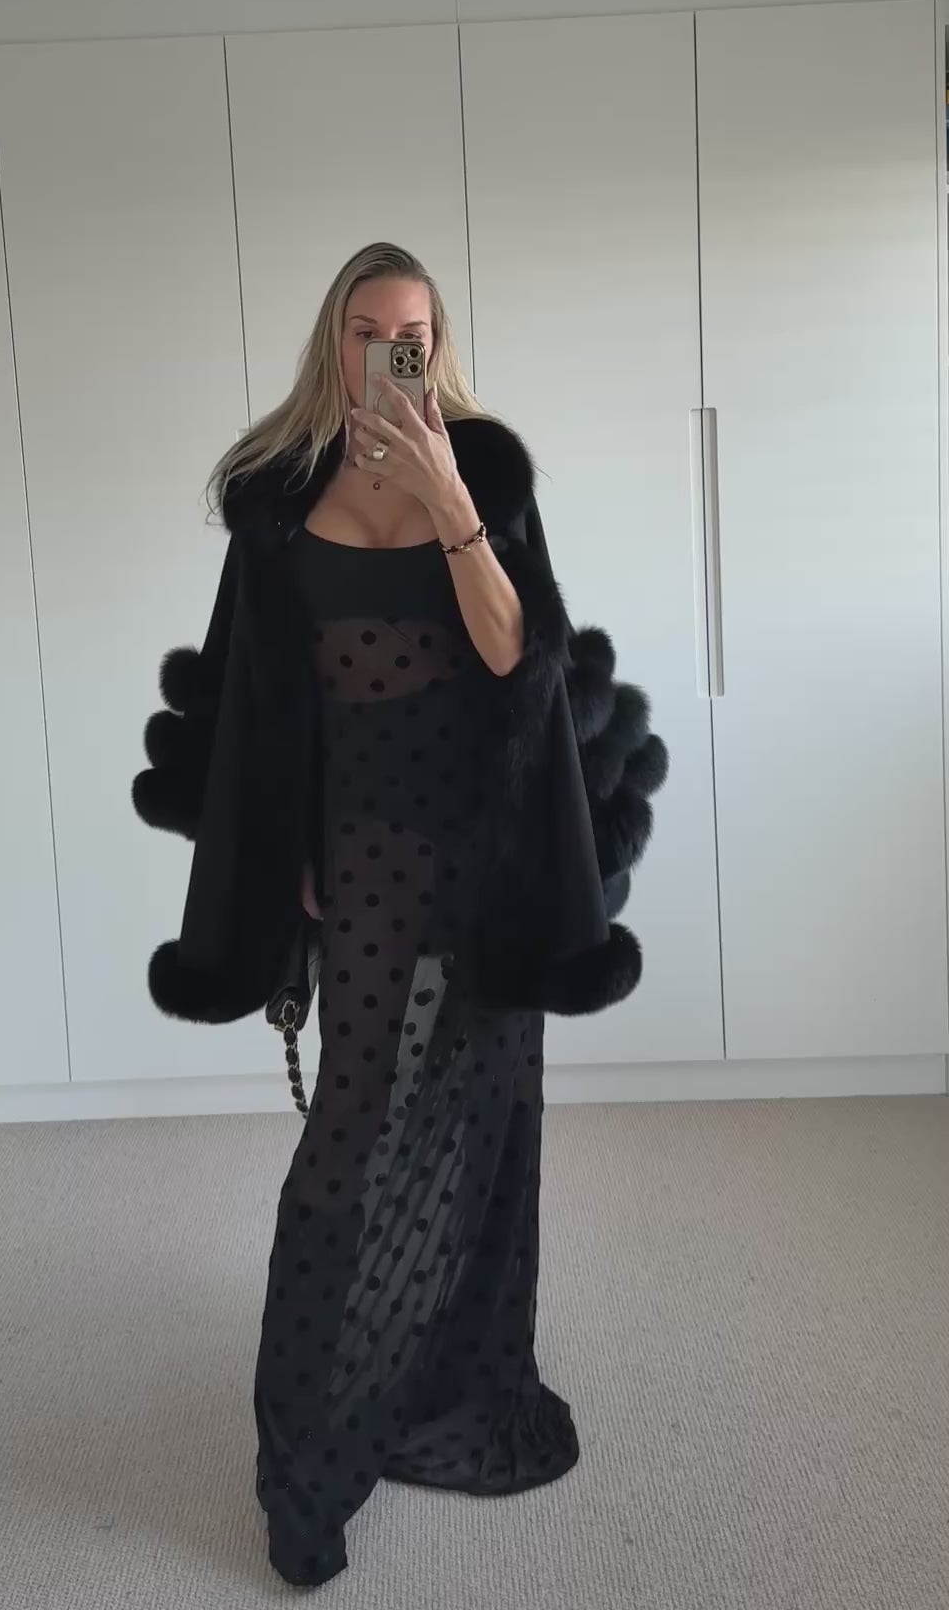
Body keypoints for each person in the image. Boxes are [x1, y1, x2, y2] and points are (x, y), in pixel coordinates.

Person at [132, 242, 666, 1586]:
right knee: (353, 1138)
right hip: (361, 856)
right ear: (336, 340)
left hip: (488, 852)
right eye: (368, 330)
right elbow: (258, 695)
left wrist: (446, 496)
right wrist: (284, 851)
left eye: (412, 333)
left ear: (440, 342)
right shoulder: (273, 492)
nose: (390, 353)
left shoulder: (485, 471)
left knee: (485, 1122)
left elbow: (522, 655)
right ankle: (304, 1466)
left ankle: (449, 1382)